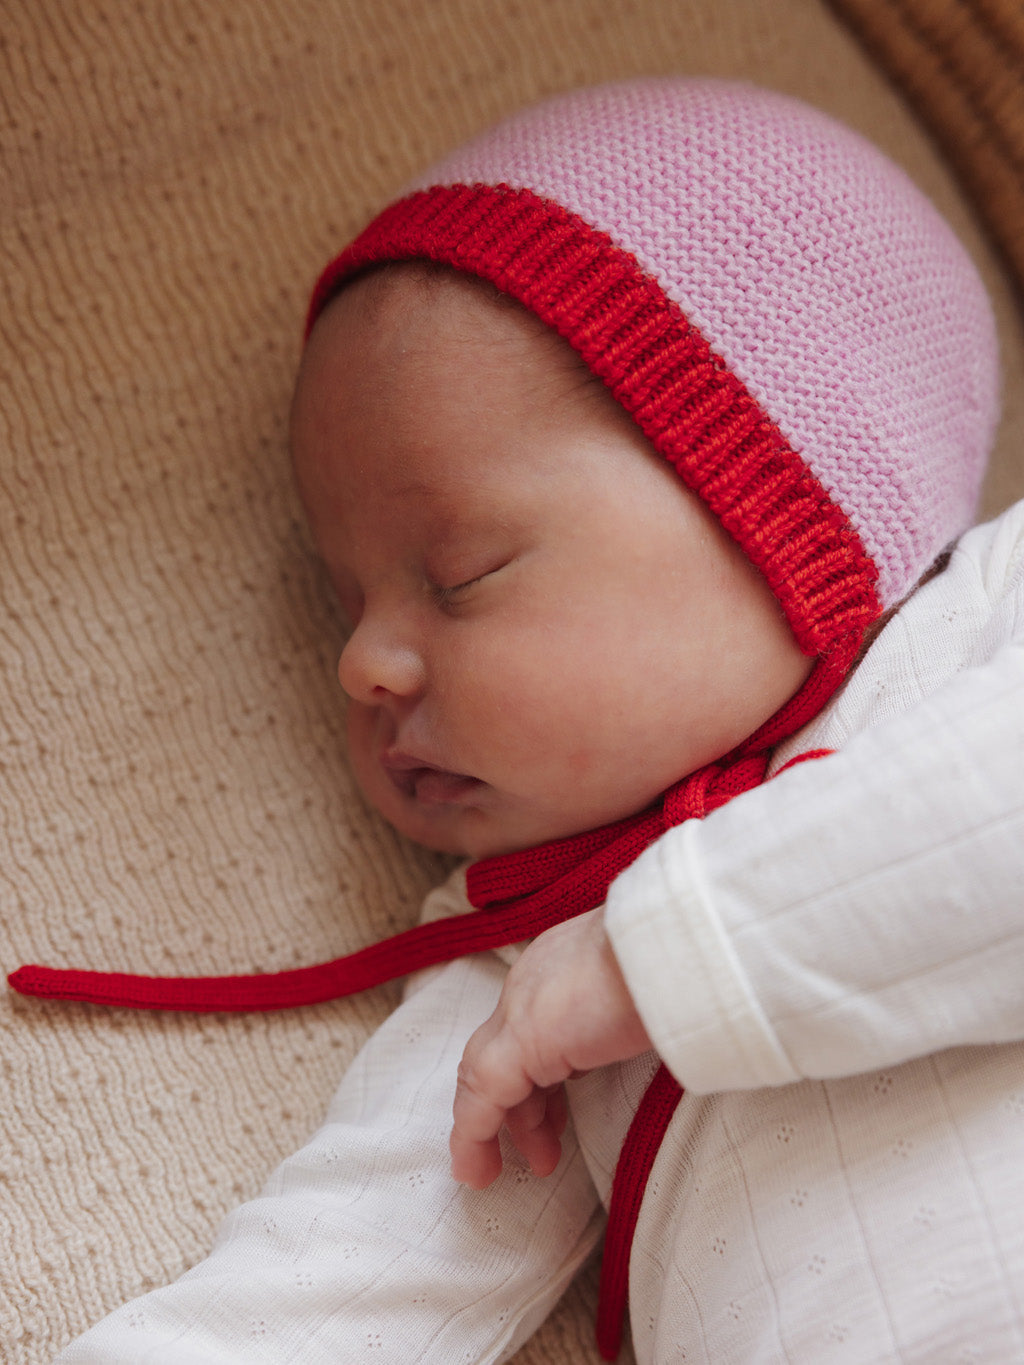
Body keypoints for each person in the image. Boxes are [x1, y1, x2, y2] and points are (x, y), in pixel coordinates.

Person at [37, 78, 1024, 1362]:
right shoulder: (522, 948)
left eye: (460, 576)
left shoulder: (982, 627)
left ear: (786, 506)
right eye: (345, 602)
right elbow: (337, 1292)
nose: (363, 664)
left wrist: (657, 960)